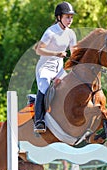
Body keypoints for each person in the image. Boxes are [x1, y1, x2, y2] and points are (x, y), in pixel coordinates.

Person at [33, 2, 77, 133]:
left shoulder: (71, 34)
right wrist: (56, 54)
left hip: (58, 69)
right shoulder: (50, 32)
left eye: (71, 17)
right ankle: (39, 120)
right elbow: (38, 50)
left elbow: (74, 53)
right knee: (44, 86)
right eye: (67, 17)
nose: (70, 20)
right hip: (45, 68)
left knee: (71, 87)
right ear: (59, 17)